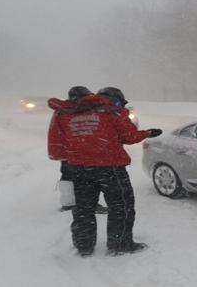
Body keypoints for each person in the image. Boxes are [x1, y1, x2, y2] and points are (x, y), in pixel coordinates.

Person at [48, 87, 163, 257]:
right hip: (110, 168)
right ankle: (120, 243)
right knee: (121, 206)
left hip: (79, 168)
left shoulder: (65, 113)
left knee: (84, 208)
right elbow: (129, 137)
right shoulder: (112, 111)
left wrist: (70, 159)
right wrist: (147, 133)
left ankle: (84, 245)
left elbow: (57, 143)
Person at [48, 86, 107, 214]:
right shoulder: (87, 109)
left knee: (67, 175)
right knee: (87, 178)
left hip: (66, 150)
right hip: (84, 150)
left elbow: (57, 132)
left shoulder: (61, 110)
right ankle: (90, 204)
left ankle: (68, 203)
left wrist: (60, 151)